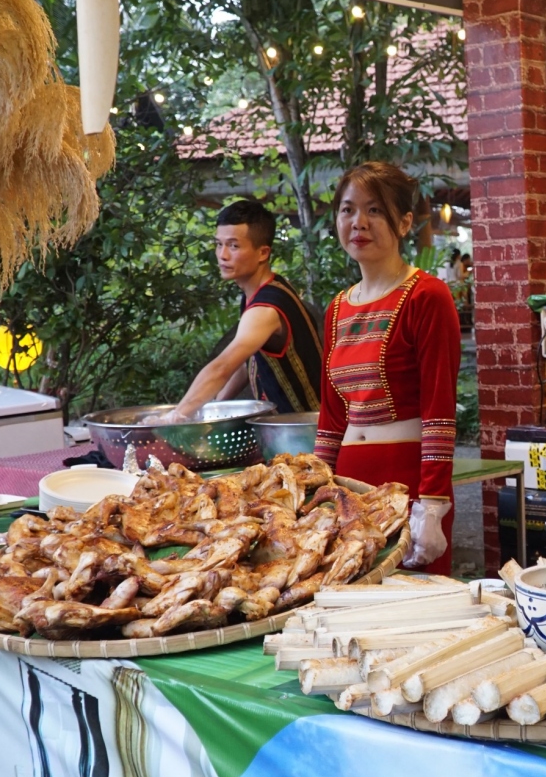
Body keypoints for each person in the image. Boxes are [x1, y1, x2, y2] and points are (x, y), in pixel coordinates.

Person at [315, 162, 461, 575]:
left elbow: (439, 411)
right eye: (347, 210)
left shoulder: (427, 296)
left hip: (407, 481)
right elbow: (331, 416)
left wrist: (431, 506)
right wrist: (319, 490)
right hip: (350, 485)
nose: (358, 222)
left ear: (404, 222)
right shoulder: (337, 308)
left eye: (375, 210)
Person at [168, 200, 322, 420]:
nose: (222, 255)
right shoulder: (262, 290)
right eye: (218, 244)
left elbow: (222, 367)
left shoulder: (266, 308)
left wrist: (175, 417)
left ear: (263, 253)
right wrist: (216, 407)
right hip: (290, 427)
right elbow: (248, 359)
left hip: (308, 431)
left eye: (234, 246)